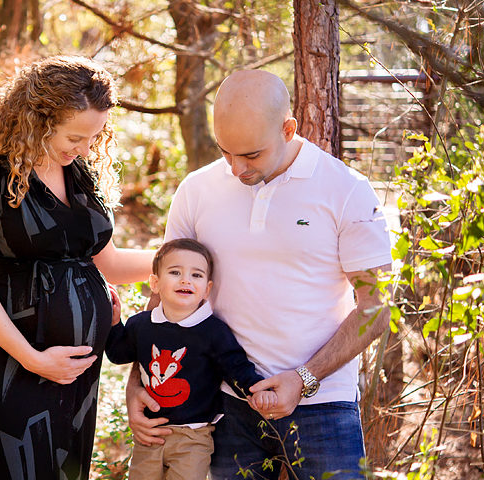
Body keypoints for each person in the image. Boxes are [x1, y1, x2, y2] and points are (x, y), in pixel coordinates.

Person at [126, 70, 392, 480]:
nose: (235, 168)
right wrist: (137, 386)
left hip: (323, 405)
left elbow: (376, 309)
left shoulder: (347, 190)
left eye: (251, 155)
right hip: (224, 405)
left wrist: (303, 379)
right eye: (225, 152)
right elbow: (165, 299)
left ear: (288, 129)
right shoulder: (196, 190)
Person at [0, 55, 155, 480]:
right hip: (15, 362)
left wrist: (176, 260)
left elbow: (111, 264)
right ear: (39, 119)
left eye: (93, 138)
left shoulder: (80, 176)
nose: (84, 149)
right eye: (75, 136)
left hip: (77, 374)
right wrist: (33, 359)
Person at [106, 238, 276, 480]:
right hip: (150, 435)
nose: (186, 280)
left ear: (207, 289)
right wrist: (114, 324)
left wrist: (258, 390)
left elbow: (236, 367)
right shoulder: (141, 325)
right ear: (155, 283)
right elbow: (118, 354)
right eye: (175, 272)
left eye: (196, 275)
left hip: (193, 437)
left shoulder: (213, 332)